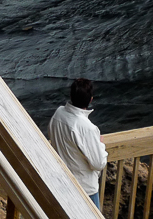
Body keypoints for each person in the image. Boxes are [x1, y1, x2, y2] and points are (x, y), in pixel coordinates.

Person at [48, 78, 108, 209]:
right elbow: (99, 163)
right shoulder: (87, 127)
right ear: (90, 99)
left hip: (62, 184)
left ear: (71, 96)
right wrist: (100, 145)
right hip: (85, 189)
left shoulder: (58, 114)